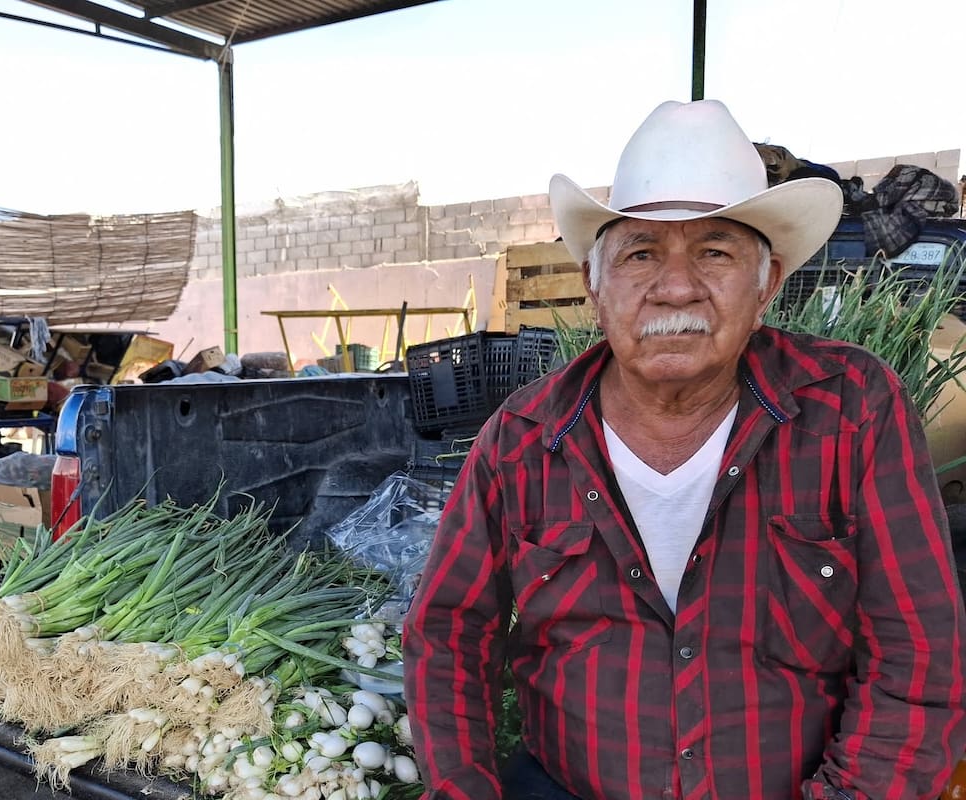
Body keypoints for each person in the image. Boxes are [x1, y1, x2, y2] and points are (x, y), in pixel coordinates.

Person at [403, 99, 966, 800]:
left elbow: (917, 656)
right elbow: (448, 633)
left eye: (714, 252)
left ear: (766, 285)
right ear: (595, 288)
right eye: (640, 253)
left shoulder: (851, 409)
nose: (675, 287)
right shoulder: (522, 439)